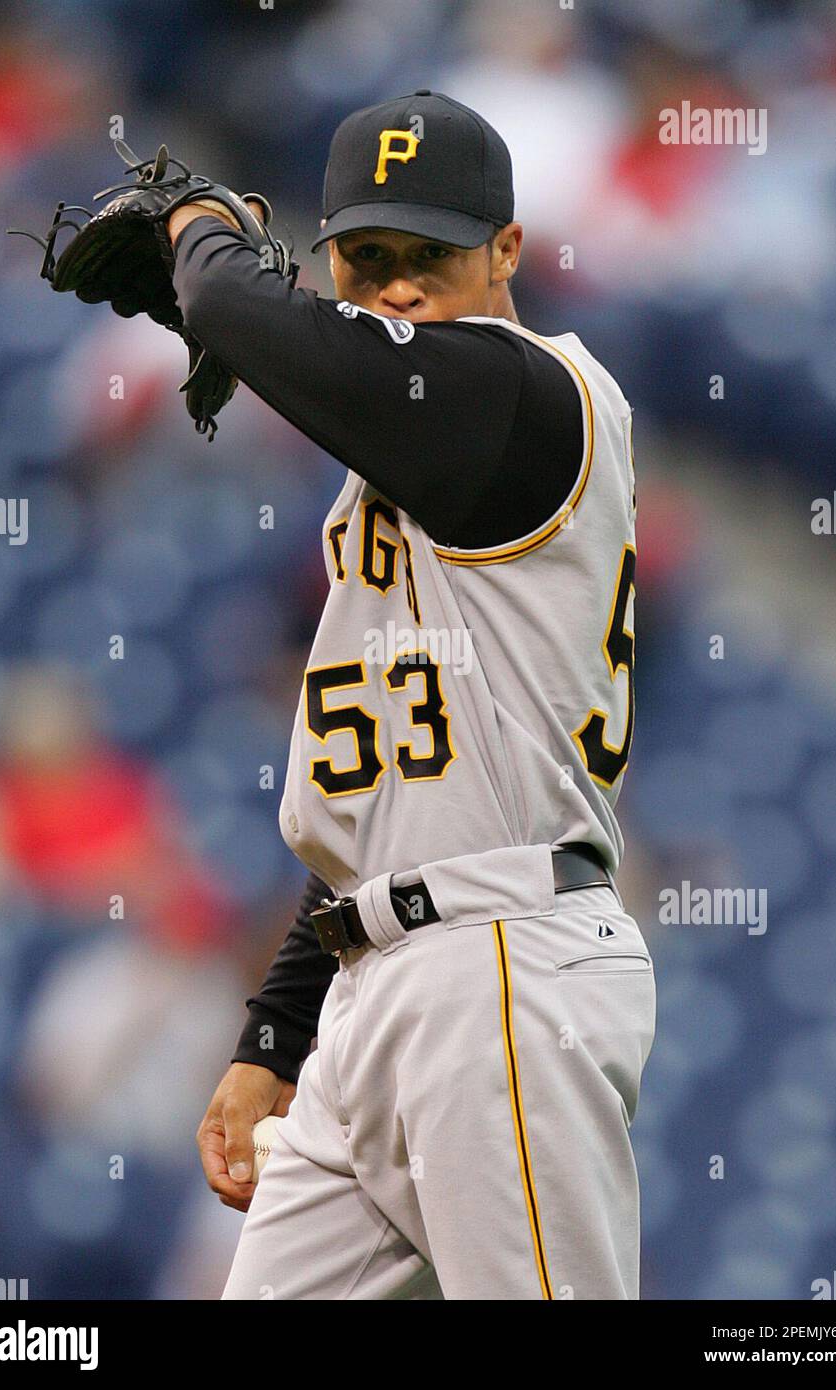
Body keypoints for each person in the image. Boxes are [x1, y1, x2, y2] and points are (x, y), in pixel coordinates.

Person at [169, 90, 656, 1300]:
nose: (396, 289)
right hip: (377, 981)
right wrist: (275, 1035)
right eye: (367, 259)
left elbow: (232, 300)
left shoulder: (531, 397)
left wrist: (198, 228)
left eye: (428, 258)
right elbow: (391, 802)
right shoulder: (397, 462)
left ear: (506, 254)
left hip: (504, 962)